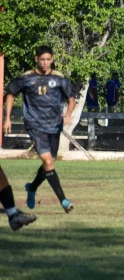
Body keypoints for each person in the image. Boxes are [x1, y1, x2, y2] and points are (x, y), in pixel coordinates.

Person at [3, 45, 76, 213]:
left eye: (48, 59)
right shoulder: (26, 78)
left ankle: (32, 187)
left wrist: (68, 114)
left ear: (52, 59)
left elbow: (71, 99)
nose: (45, 63)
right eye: (42, 59)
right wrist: (7, 119)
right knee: (48, 162)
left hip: (54, 125)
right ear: (36, 59)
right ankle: (63, 200)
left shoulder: (60, 79)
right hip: (34, 124)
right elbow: (11, 94)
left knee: (48, 163)